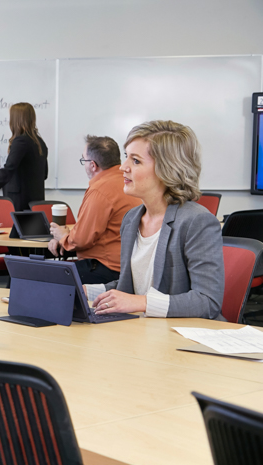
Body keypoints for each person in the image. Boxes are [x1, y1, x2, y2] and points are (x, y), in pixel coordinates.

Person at [87, 120, 224, 319]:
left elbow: (208, 301)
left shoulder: (197, 221)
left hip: (179, 338)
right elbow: (132, 286)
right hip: (141, 332)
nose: (122, 167)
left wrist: (142, 302)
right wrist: (85, 290)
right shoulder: (131, 219)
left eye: (135, 161)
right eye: (127, 157)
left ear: (166, 170)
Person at [48, 135, 141, 284]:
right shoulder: (130, 183)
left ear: (93, 165)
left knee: (42, 274)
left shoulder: (100, 190)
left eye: (84, 160)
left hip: (106, 269)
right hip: (130, 268)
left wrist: (63, 236)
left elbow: (82, 240)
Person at [0, 103, 48, 210]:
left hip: (19, 202)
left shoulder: (21, 141)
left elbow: (8, 170)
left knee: (16, 227)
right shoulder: (40, 142)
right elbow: (44, 174)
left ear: (16, 120)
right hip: (36, 201)